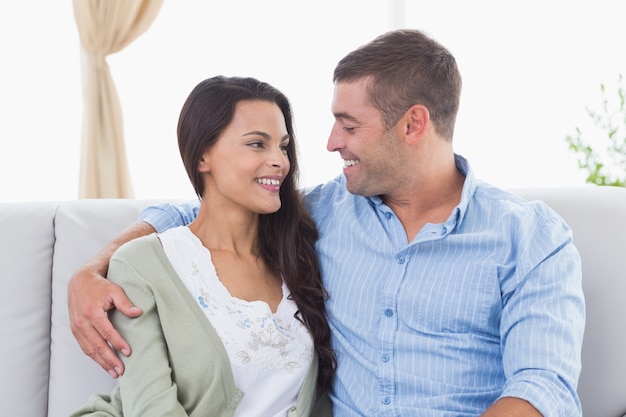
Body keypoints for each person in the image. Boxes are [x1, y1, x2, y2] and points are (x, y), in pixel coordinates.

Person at [68, 29, 585, 417]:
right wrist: (94, 268)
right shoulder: (326, 212)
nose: (331, 143)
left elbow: (542, 387)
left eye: (349, 124)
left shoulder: (529, 237)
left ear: (414, 124)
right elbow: (205, 213)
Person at [70, 76, 335, 417]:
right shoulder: (142, 265)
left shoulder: (299, 256)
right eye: (257, 144)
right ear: (202, 157)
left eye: (283, 146)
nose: (280, 162)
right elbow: (152, 409)